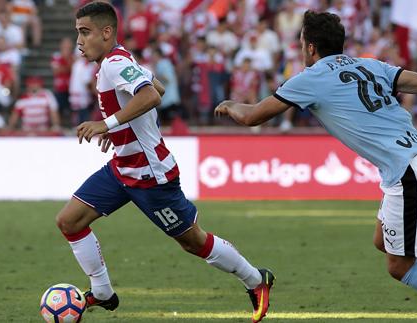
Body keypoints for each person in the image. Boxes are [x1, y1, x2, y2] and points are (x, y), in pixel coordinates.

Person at [215, 11, 417, 323]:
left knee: (400, 265)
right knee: (384, 241)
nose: (302, 49)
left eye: (302, 44)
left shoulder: (310, 79)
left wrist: (231, 105)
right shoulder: (369, 65)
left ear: (312, 48)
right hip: (416, 157)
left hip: (407, 169)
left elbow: (253, 116)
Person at [55, 3, 274, 323]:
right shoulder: (114, 60)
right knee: (69, 221)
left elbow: (152, 96)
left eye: (85, 32)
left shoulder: (115, 63)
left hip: (150, 174)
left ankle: (256, 279)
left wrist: (108, 124)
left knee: (193, 241)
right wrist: (118, 129)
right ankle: (102, 292)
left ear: (106, 32)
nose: (79, 41)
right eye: (78, 33)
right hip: (123, 168)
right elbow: (157, 85)